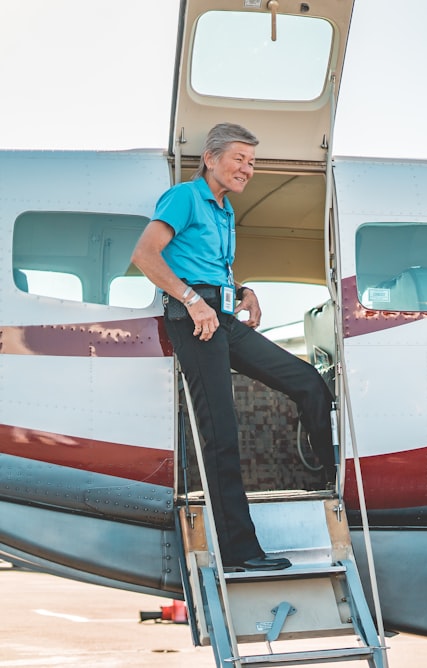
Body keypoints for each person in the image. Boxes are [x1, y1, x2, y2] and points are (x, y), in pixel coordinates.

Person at [131, 122, 336, 572]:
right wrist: (190, 301)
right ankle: (241, 552)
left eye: (252, 162)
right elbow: (146, 255)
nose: (248, 169)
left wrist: (245, 290)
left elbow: (209, 266)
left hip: (222, 314)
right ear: (210, 158)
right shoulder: (185, 198)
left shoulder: (224, 210)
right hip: (195, 320)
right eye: (239, 159)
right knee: (222, 435)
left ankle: (337, 483)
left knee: (307, 382)